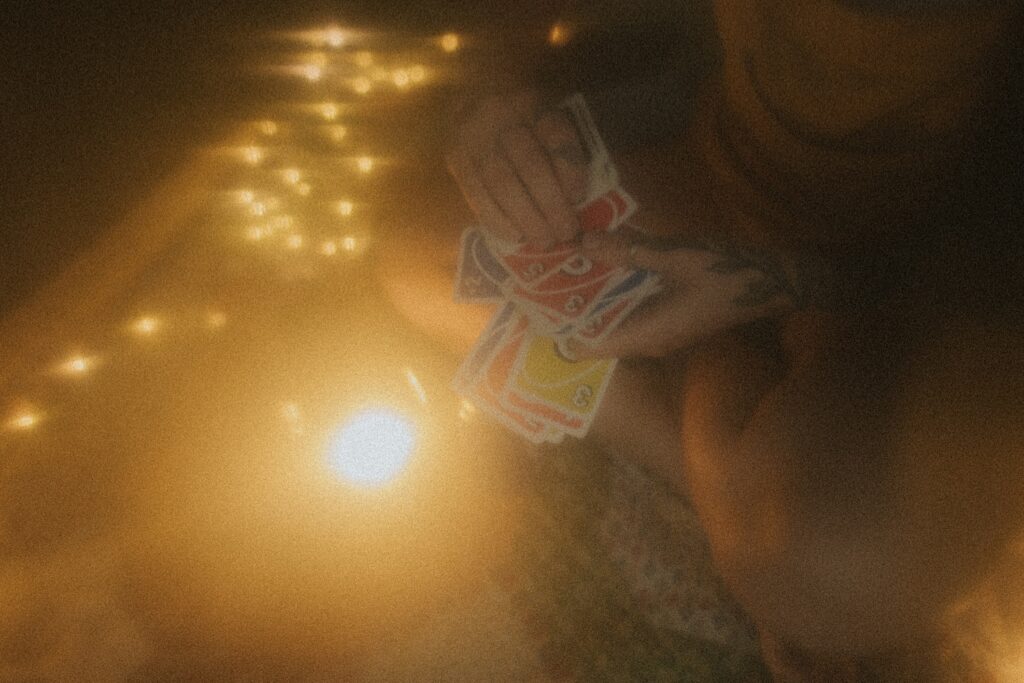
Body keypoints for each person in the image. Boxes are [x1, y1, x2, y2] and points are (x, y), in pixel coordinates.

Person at [378, 1, 1024, 678]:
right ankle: (750, 514)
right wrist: (496, 89)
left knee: (831, 552)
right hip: (730, 191)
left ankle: (757, 507)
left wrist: (777, 290)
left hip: (912, 292)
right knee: (416, 258)